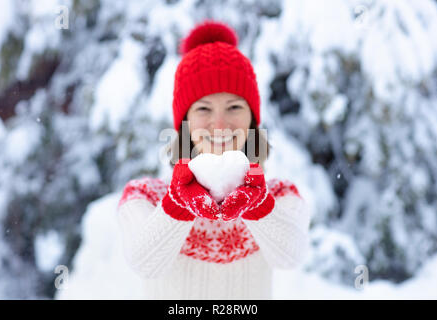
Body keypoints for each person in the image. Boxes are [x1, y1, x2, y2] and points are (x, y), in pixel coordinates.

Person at [117, 20, 311, 299]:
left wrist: (259, 207)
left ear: (253, 120)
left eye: (234, 107)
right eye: (204, 109)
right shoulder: (146, 196)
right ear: (184, 123)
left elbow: (290, 257)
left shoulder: (280, 195)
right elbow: (145, 263)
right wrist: (178, 205)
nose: (220, 125)